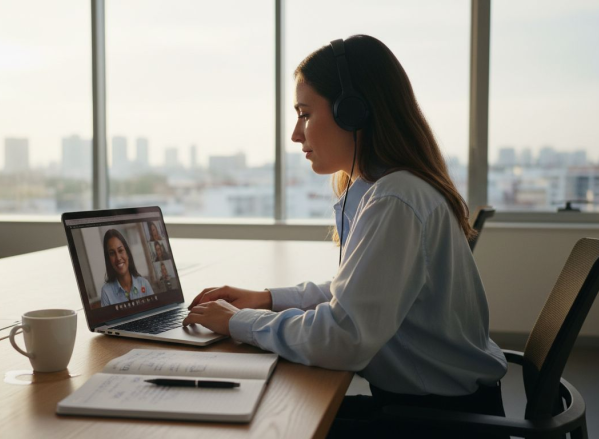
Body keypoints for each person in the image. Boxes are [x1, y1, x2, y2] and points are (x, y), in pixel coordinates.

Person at [182, 35, 507, 438]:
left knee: (263, 424)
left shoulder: (395, 200)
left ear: (353, 113)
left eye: (304, 113)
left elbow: (344, 336)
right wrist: (266, 299)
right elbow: (352, 293)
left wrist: (242, 323)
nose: (296, 134)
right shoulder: (384, 190)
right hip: (433, 409)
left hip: (439, 424)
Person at [100, 229, 154, 307]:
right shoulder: (106, 292)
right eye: (112, 253)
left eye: (120, 250)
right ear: (109, 260)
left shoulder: (144, 283)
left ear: (127, 253)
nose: (118, 258)